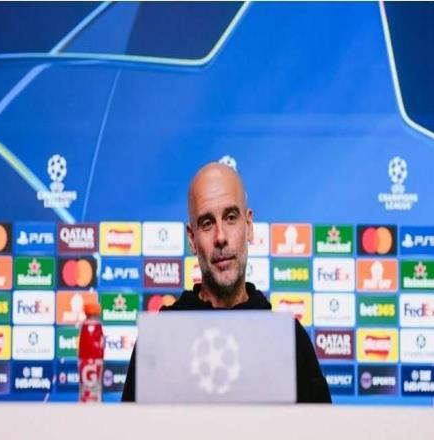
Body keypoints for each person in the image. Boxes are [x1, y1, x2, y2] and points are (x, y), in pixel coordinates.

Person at [122, 163, 331, 403]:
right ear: (192, 239)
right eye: (207, 223)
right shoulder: (159, 340)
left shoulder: (289, 340)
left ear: (249, 226)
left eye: (231, 218)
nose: (220, 237)